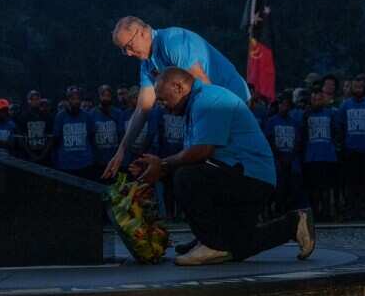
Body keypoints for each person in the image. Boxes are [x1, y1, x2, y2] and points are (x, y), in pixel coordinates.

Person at [128, 67, 314, 266]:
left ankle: (211, 243)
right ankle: (293, 224)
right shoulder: (194, 105)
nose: (163, 106)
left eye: (164, 99)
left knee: (186, 177)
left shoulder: (209, 100)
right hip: (239, 176)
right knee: (236, 247)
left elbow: (202, 152)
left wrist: (162, 164)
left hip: (251, 178)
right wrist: (156, 167)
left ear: (179, 87)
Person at [105, 16, 250, 180]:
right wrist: (121, 151)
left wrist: (201, 142)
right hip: (215, 109)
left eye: (129, 46)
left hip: (232, 100)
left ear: (142, 32)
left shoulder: (171, 42)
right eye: (124, 50)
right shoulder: (147, 64)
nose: (129, 53)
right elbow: (142, 109)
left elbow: (205, 88)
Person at [338, 75, 365, 219]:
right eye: (356, 87)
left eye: (361, 87)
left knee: (364, 181)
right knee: (350, 182)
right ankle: (350, 209)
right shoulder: (345, 105)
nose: (358, 89)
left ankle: (363, 208)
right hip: (350, 150)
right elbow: (341, 127)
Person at [264, 92, 305, 215]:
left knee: (292, 190)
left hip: (292, 164)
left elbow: (298, 142)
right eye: (282, 105)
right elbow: (269, 140)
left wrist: (290, 158)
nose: (285, 107)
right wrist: (280, 157)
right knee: (278, 191)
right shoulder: (271, 121)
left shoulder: (294, 123)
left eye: (287, 105)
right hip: (277, 164)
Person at [301, 91, 339, 220]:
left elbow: (335, 131)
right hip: (311, 156)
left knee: (327, 188)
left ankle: (327, 212)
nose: (317, 102)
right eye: (314, 99)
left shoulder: (330, 113)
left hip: (328, 156)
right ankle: (315, 213)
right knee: (313, 188)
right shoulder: (306, 114)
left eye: (319, 99)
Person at [52, 86, 95, 178]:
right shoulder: (60, 116)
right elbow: (56, 139)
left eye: (78, 98)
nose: (76, 101)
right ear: (67, 100)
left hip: (85, 163)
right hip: (66, 164)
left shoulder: (87, 116)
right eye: (72, 98)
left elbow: (91, 136)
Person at [91, 85, 126, 178]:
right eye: (103, 95)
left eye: (108, 95)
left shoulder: (118, 113)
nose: (106, 98)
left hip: (114, 158)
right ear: (99, 96)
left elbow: (122, 134)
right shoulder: (91, 114)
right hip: (98, 159)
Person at [16, 90, 53, 163]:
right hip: (28, 156)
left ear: (40, 100)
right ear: (28, 101)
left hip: (45, 156)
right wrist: (31, 155)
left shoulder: (47, 116)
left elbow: (50, 138)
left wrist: (43, 154)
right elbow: (21, 139)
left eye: (37, 99)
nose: (35, 101)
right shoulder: (23, 117)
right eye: (32, 99)